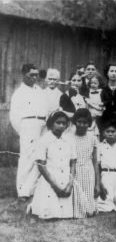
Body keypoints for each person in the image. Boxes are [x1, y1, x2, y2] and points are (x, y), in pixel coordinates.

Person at [10, 63, 49, 202]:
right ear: (24, 74)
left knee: (39, 156)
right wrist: (24, 131)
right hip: (28, 126)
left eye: (36, 75)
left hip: (42, 125)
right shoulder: (19, 93)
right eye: (31, 75)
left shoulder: (39, 90)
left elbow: (45, 107)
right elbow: (14, 116)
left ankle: (32, 189)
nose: (34, 78)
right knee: (27, 157)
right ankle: (23, 191)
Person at [29, 111, 76, 219]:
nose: (61, 126)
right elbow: (41, 166)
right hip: (50, 178)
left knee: (67, 214)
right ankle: (35, 206)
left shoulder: (69, 140)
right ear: (51, 124)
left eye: (64, 123)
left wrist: (70, 184)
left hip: (66, 178)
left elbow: (73, 162)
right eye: (58, 123)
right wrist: (55, 186)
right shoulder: (44, 140)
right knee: (50, 213)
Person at [71, 109, 99, 218]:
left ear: (89, 124)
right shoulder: (69, 137)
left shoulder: (93, 138)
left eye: (85, 122)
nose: (82, 125)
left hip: (88, 171)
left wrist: (97, 183)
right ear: (75, 122)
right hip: (75, 171)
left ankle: (88, 209)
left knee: (90, 211)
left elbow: (95, 162)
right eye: (79, 122)